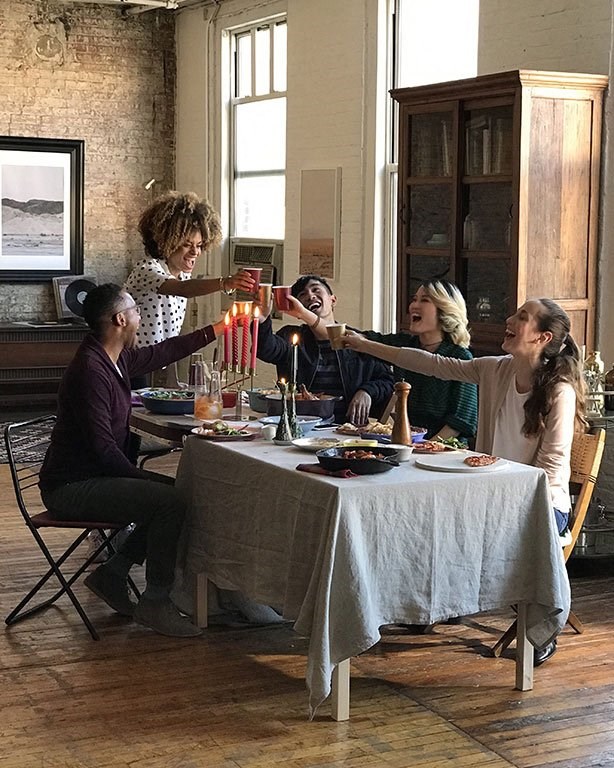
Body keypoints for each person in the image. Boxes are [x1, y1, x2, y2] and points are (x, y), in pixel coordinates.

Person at [342, 297, 587, 665]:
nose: (509, 319)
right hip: (489, 493)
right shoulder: (495, 369)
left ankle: (540, 629)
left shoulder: (559, 391)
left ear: (542, 337)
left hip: (540, 504)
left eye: (522, 317)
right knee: (426, 521)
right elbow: (432, 364)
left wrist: (505, 502)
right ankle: (427, 604)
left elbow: (550, 468)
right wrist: (363, 344)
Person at [39, 283, 223, 638]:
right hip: (71, 486)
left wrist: (219, 328)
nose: (141, 317)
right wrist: (147, 480)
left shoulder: (115, 357)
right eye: (137, 311)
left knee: (172, 497)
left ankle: (114, 572)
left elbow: (165, 351)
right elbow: (103, 450)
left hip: (94, 475)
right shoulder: (90, 371)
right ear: (120, 319)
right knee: (170, 501)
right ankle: (156, 602)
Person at [124, 190, 254, 384]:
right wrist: (225, 283)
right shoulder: (147, 269)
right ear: (166, 242)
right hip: (134, 362)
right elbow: (182, 288)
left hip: (160, 360)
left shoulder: (183, 273)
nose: (195, 252)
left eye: (200, 245)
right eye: (187, 244)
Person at [256, 274, 394, 425]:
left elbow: (387, 380)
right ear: (298, 310)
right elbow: (266, 349)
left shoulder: (357, 341)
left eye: (316, 290)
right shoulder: (292, 336)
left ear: (332, 300)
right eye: (303, 295)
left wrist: (367, 391)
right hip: (299, 425)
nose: (310, 296)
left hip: (346, 428)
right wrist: (262, 319)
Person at [361, 279, 477, 442]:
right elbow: (355, 338)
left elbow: (460, 421)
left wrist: (425, 447)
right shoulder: (406, 344)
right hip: (406, 442)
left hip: (445, 450)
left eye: (424, 300)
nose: (413, 306)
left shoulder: (461, 357)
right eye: (414, 299)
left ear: (444, 310)